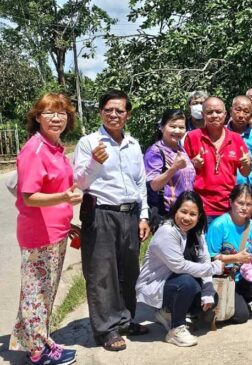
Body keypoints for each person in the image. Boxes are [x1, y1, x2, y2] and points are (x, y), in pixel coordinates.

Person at [73, 90, 151, 351]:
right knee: (102, 273)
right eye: (109, 110)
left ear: (127, 114)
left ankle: (126, 320)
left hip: (130, 214)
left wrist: (143, 215)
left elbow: (141, 183)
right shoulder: (88, 142)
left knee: (129, 271)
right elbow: (80, 183)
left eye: (119, 110)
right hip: (101, 214)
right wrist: (95, 161)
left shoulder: (133, 144)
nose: (114, 115)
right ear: (100, 112)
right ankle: (106, 329)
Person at [10, 93, 80, 365]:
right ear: (37, 117)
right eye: (49, 112)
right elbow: (30, 196)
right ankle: (38, 352)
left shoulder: (54, 146)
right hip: (39, 234)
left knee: (42, 292)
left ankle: (36, 340)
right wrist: (64, 198)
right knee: (36, 293)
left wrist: (66, 221)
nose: (56, 117)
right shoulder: (35, 149)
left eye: (62, 112)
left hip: (55, 232)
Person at [135, 192, 222, 347]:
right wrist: (213, 269)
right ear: (175, 210)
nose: (187, 218)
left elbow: (204, 259)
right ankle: (176, 329)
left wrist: (208, 288)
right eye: (183, 211)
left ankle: (167, 312)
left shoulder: (196, 232)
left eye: (193, 214)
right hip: (156, 284)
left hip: (176, 279)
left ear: (199, 215)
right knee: (188, 283)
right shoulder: (167, 231)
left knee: (211, 298)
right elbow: (179, 266)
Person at [207, 184, 252, 323]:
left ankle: (237, 301)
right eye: (240, 203)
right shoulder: (219, 225)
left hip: (241, 277)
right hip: (222, 278)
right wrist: (235, 258)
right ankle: (230, 304)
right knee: (241, 316)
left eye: (248, 204)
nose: (244, 208)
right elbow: (210, 257)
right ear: (231, 202)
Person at [183, 96, 251, 221]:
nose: (214, 115)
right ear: (203, 115)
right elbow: (181, 171)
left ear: (225, 114)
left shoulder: (236, 139)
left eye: (218, 112)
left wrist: (247, 164)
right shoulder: (192, 137)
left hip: (228, 206)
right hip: (199, 205)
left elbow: (245, 172)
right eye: (209, 112)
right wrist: (192, 164)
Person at [144, 109, 195, 231]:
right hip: (166, 215)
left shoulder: (180, 149)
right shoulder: (155, 151)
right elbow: (154, 185)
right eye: (172, 126)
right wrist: (174, 168)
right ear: (161, 127)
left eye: (181, 127)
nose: (177, 131)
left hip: (184, 213)